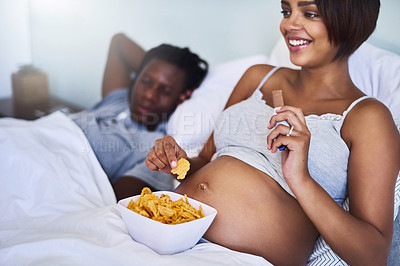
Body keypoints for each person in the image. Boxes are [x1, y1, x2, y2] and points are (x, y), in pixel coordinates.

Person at [145, 0, 400, 265]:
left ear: (351, 23)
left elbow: (372, 256)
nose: (289, 24)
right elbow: (204, 161)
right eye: (286, 11)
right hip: (166, 232)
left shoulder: (368, 117)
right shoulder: (258, 78)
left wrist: (300, 179)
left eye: (310, 13)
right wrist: (175, 162)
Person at [70, 33, 208, 200]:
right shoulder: (119, 100)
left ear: (182, 97)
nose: (149, 95)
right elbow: (119, 41)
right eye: (147, 81)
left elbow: (114, 208)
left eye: (166, 91)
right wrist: (151, 65)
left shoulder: (157, 151)